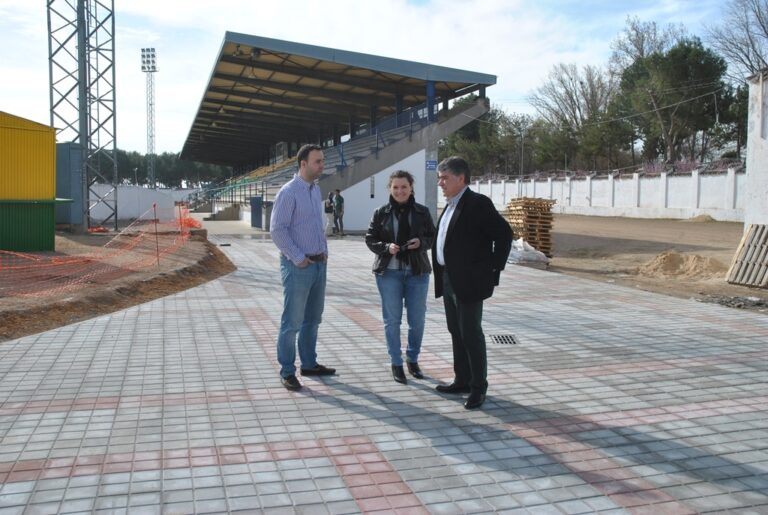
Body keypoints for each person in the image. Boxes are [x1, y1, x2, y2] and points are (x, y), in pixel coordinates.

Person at [432, 156, 512, 409]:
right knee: (456, 331)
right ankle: (462, 380)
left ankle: (478, 387)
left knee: (470, 333)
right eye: (439, 178)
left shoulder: (477, 203)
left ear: (461, 178)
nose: (440, 183)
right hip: (448, 278)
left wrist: (493, 268)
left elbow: (504, 234)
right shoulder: (450, 205)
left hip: (469, 282)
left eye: (444, 178)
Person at [270, 144, 337, 390]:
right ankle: (287, 370)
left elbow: (315, 225)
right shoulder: (289, 192)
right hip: (298, 266)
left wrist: (324, 252)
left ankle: (309, 363)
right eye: (318, 161)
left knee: (313, 319)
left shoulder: (315, 189)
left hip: (318, 264)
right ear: (303, 164)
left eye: (322, 160)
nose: (322, 165)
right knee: (292, 321)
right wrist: (298, 257)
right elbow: (277, 230)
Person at [365, 171, 436, 384]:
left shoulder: (422, 212)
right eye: (395, 187)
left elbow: (432, 237)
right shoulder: (380, 213)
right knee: (392, 321)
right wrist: (386, 247)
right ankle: (396, 362)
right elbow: (370, 239)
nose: (400, 191)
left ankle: (412, 359)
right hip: (389, 273)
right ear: (389, 188)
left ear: (411, 187)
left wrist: (421, 243)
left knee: (417, 320)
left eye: (404, 187)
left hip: (417, 273)